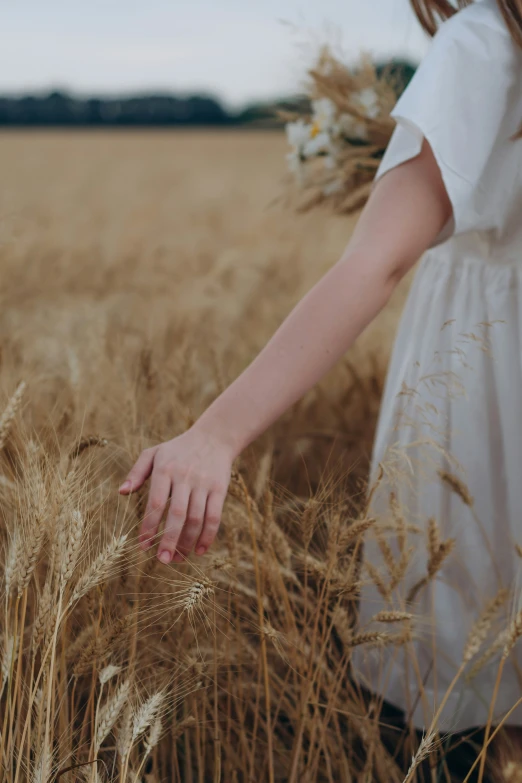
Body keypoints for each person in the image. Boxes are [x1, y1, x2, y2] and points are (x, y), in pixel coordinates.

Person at [119, 0, 522, 735]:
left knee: (476, 669)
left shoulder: (483, 43)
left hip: (484, 374)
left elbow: (379, 257)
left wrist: (216, 432)